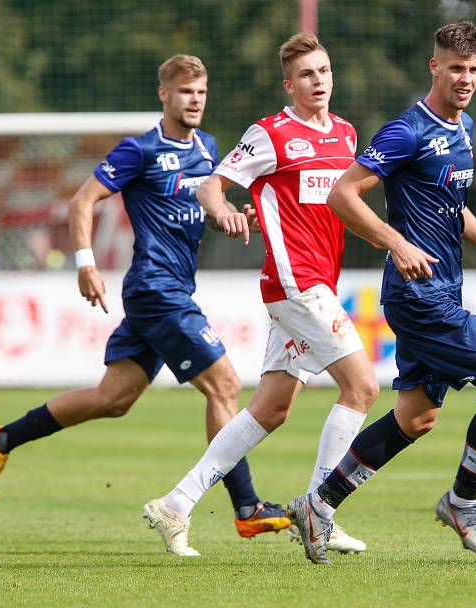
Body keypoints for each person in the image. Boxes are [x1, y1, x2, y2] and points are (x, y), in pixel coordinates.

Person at [0, 55, 290, 554]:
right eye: (186, 91)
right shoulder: (138, 151)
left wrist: (230, 215)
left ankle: (1, 439)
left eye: (202, 92)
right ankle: (247, 508)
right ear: (163, 94)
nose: (195, 100)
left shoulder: (208, 149)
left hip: (172, 292)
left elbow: (203, 209)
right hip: (154, 289)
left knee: (112, 399)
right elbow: (82, 202)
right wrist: (85, 263)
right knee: (226, 385)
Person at [288, 21, 476, 565]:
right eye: (455, 68)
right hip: (420, 297)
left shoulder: (463, 127)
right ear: (435, 67)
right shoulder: (406, 131)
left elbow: (455, 209)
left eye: (473, 69)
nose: (465, 78)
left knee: (415, 419)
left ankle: (319, 504)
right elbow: (342, 194)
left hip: (443, 289)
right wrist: (397, 242)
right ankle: (461, 503)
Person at [142, 33, 380, 557]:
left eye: (324, 71)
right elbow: (211, 184)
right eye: (307, 75)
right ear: (288, 84)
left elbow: (344, 207)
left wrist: (392, 244)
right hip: (296, 284)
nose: (318, 81)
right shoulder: (271, 134)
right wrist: (222, 211)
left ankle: (175, 505)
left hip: (320, 283)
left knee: (270, 409)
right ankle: (322, 509)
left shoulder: (345, 134)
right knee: (362, 388)